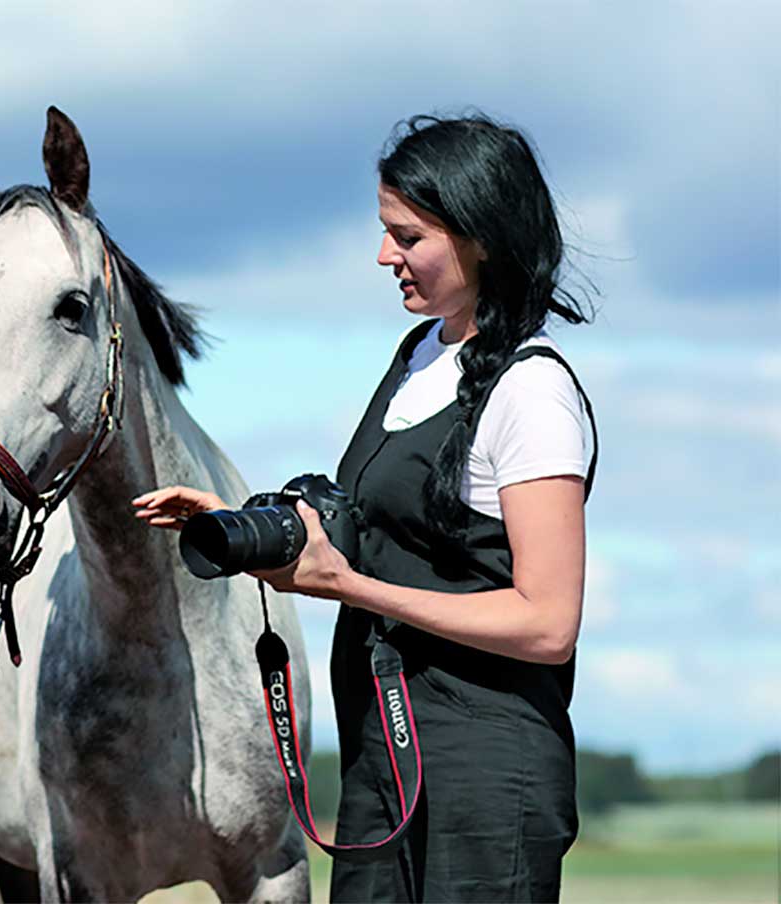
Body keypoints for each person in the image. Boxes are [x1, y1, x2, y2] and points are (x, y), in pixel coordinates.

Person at [134, 114, 596, 901]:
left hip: (486, 774)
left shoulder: (533, 390)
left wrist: (350, 590)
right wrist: (253, 532)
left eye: (408, 237)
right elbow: (377, 531)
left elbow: (548, 624)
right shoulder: (420, 357)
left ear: (481, 235)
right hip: (381, 750)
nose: (386, 256)